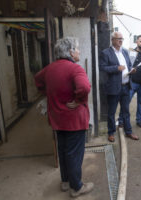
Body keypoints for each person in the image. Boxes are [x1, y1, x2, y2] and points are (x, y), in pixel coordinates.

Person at [34, 37, 94, 197]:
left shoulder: (49, 69)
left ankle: (65, 182)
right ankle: (77, 187)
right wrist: (78, 100)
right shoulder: (75, 69)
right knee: (74, 153)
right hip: (74, 120)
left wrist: (47, 93)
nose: (79, 51)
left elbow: (37, 81)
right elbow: (84, 87)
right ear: (70, 52)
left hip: (57, 119)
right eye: (77, 48)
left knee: (63, 150)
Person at [99, 31, 139, 142]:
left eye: (122, 38)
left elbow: (129, 65)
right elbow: (102, 68)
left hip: (126, 86)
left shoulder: (125, 52)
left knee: (126, 111)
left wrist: (132, 70)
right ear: (112, 40)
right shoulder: (106, 53)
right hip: (113, 87)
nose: (120, 40)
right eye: (118, 38)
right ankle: (111, 132)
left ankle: (128, 131)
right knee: (111, 112)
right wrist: (116, 68)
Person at [118, 35, 141, 128]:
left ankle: (139, 120)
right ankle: (121, 120)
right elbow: (126, 65)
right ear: (137, 42)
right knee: (126, 102)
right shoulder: (131, 52)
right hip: (132, 83)